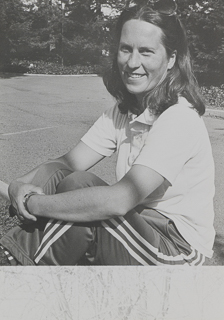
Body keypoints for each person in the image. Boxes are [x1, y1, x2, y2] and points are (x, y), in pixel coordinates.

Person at [0, 0, 215, 266]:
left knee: (90, 199)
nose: (132, 63)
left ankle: (19, 270)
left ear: (171, 59)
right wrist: (19, 185)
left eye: (146, 52)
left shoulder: (178, 116)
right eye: (126, 49)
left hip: (179, 252)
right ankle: (19, 265)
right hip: (137, 231)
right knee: (71, 181)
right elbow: (66, 163)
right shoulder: (125, 110)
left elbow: (121, 199)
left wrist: (34, 203)